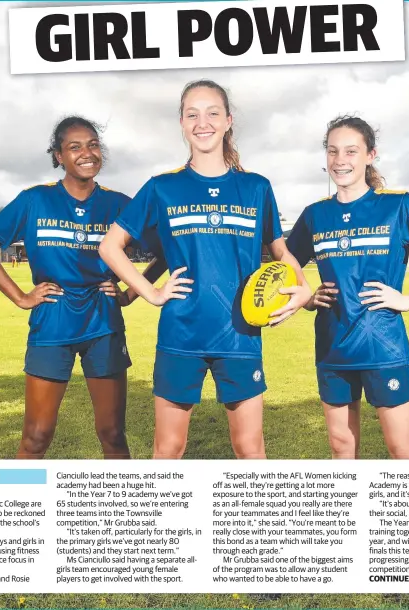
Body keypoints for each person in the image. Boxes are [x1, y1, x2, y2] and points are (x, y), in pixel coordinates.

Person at [100, 80, 312, 459]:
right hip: (182, 333)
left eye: (213, 113)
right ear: (181, 122)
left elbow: (281, 251)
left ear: (228, 120)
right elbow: (109, 246)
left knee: (250, 448)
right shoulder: (162, 188)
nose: (203, 122)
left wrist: (303, 288)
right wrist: (151, 292)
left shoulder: (255, 187)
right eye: (192, 114)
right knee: (168, 449)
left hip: (241, 333)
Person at [0, 116, 165, 459]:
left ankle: (125, 510)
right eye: (74, 147)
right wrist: (20, 297)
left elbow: (164, 252)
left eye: (92, 145)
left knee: (113, 434)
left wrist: (130, 293)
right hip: (52, 324)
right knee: (36, 435)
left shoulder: (119, 203)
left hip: (103, 324)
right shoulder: (35, 201)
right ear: (58, 156)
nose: (86, 153)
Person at [286, 115, 409, 460]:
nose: (340, 160)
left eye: (351, 151)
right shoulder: (314, 215)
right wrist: (308, 298)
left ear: (370, 155)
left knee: (402, 448)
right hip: (331, 346)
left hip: (382, 345)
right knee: (342, 447)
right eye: (333, 151)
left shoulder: (396, 205)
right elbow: (286, 264)